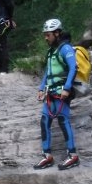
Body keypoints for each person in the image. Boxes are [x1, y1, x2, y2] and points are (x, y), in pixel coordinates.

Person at [34, 18, 80, 170]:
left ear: (57, 33)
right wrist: (41, 88)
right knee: (44, 121)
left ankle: (73, 155)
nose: (45, 37)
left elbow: (73, 68)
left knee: (62, 120)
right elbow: (48, 71)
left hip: (61, 92)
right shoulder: (51, 51)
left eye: (48, 35)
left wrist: (67, 88)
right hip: (50, 92)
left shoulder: (66, 49)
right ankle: (47, 155)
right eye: (45, 35)